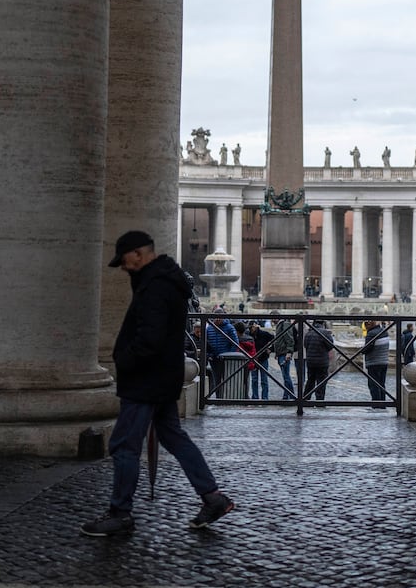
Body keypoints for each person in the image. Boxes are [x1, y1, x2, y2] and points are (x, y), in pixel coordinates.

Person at [81, 230, 234, 537]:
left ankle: (120, 512)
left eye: (124, 260)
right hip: (163, 374)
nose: (123, 267)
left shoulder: (155, 286)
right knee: (174, 437)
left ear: (139, 253)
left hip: (146, 379)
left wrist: (124, 359)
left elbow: (149, 338)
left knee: (124, 445)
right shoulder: (166, 281)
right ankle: (213, 497)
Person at [301, 318, 335, 401]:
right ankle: (319, 400)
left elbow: (305, 345)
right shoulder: (325, 333)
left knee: (310, 380)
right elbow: (330, 346)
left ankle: (306, 398)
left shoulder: (309, 333)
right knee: (321, 381)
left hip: (310, 361)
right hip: (322, 361)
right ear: (323, 323)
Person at [204, 315, 238, 395]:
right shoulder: (209, 328)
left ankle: (226, 396)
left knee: (227, 377)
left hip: (225, 358)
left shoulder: (229, 327)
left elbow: (235, 343)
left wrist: (229, 354)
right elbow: (206, 342)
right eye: (216, 317)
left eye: (220, 317)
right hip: (214, 357)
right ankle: (218, 397)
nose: (218, 319)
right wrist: (209, 354)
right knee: (217, 378)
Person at [363, 323, 391, 407]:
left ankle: (376, 404)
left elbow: (367, 348)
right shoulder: (384, 331)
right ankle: (383, 403)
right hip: (384, 361)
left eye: (366, 325)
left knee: (373, 384)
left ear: (369, 325)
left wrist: (361, 350)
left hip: (374, 362)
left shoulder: (371, 334)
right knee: (382, 384)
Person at [270, 319, 296, 399]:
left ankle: (292, 396)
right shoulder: (280, 325)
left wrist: (289, 352)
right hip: (281, 353)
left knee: (286, 375)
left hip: (284, 353)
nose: (271, 320)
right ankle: (286, 395)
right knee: (285, 376)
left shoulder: (284, 324)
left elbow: (289, 338)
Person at [247, 321, 273, 399]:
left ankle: (264, 397)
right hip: (253, 359)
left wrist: (271, 349)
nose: (251, 329)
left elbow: (274, 339)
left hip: (263, 358)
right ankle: (255, 397)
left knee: (264, 380)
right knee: (254, 379)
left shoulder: (264, 334)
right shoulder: (249, 335)